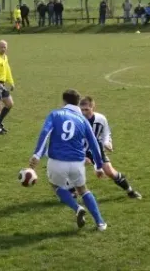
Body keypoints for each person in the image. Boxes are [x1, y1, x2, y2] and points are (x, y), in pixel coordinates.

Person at [28, 89, 107, 231]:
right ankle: (100, 222)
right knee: (83, 190)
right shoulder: (83, 120)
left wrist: (37, 155)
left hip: (57, 161)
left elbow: (45, 133)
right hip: (77, 162)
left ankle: (77, 207)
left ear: (64, 101)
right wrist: (99, 167)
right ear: (78, 103)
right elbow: (94, 143)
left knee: (56, 186)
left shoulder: (55, 114)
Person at [76, 96, 142, 199]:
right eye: (82, 109)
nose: (84, 112)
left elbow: (106, 133)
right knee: (71, 170)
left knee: (110, 172)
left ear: (93, 107)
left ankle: (130, 191)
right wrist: (82, 156)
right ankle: (71, 191)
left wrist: (107, 143)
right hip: (79, 149)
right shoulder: (76, 120)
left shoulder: (101, 119)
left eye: (86, 109)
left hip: (96, 148)